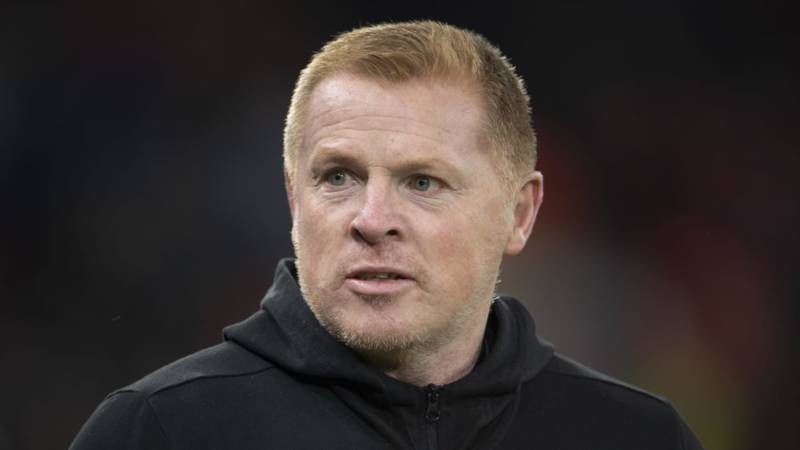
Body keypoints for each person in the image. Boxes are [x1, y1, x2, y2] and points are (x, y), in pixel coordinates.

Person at [71, 21, 703, 449]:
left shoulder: (639, 437)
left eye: (423, 182)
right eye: (339, 177)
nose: (372, 219)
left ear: (519, 214)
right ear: (293, 199)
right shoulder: (158, 431)